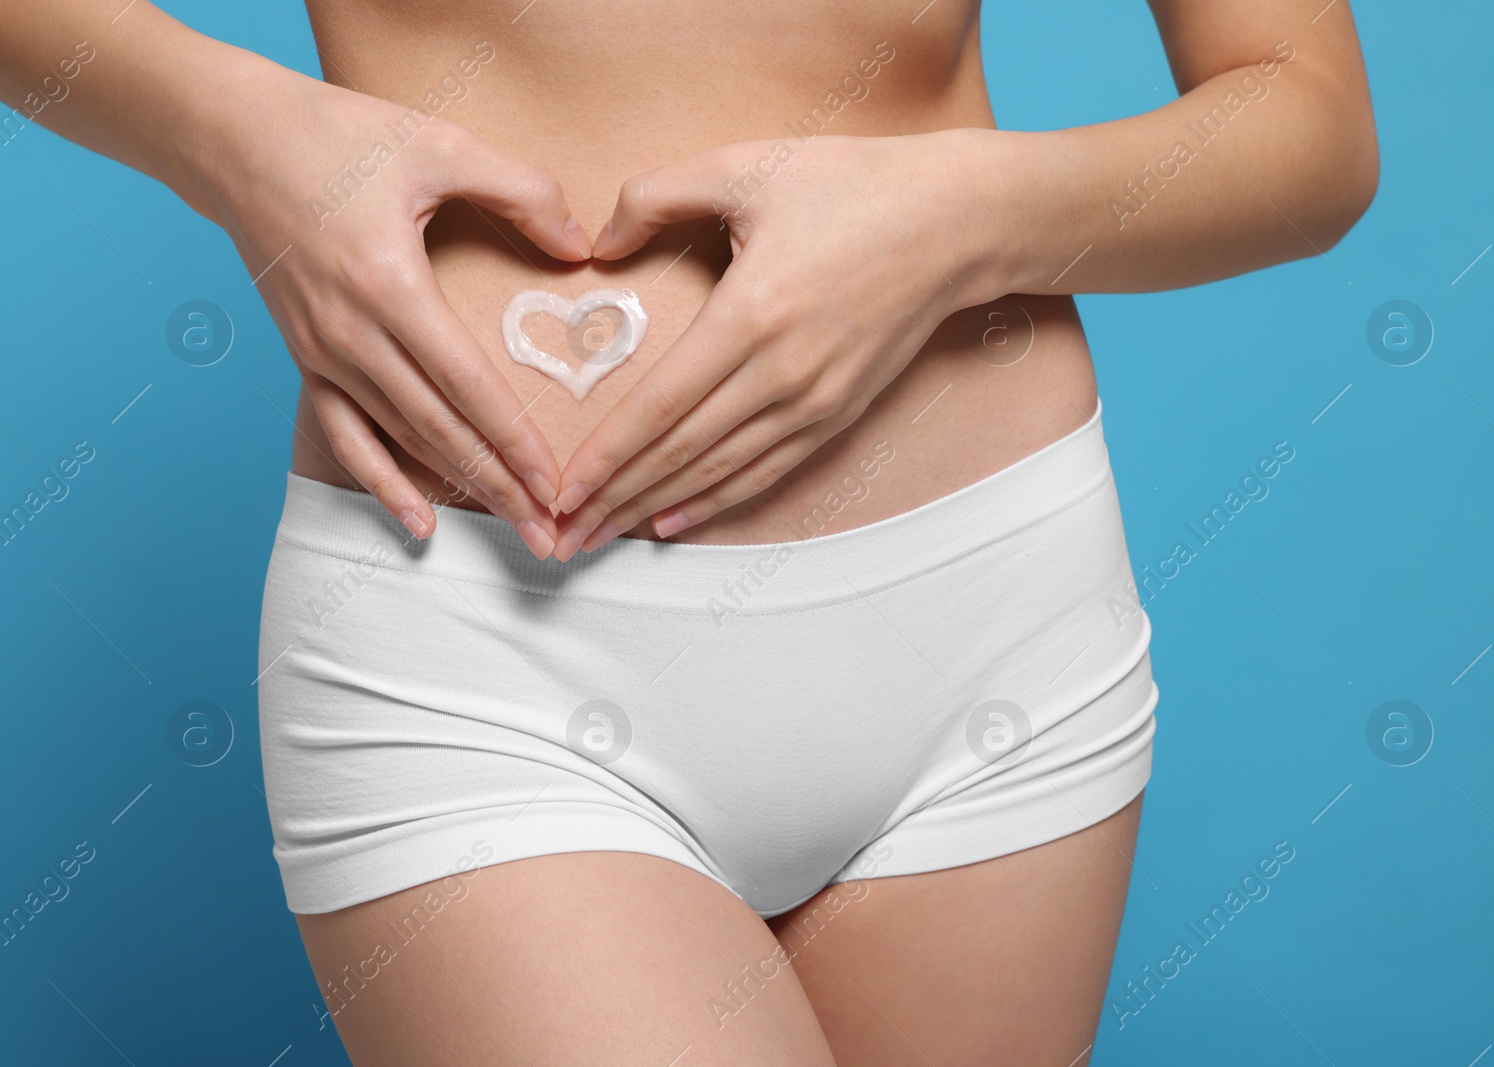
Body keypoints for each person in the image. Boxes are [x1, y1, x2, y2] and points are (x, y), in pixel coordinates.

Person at [0, 2, 1377, 1063]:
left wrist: (966, 217)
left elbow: (1309, 126)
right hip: (484, 656)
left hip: (985, 630)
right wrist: (239, 137)